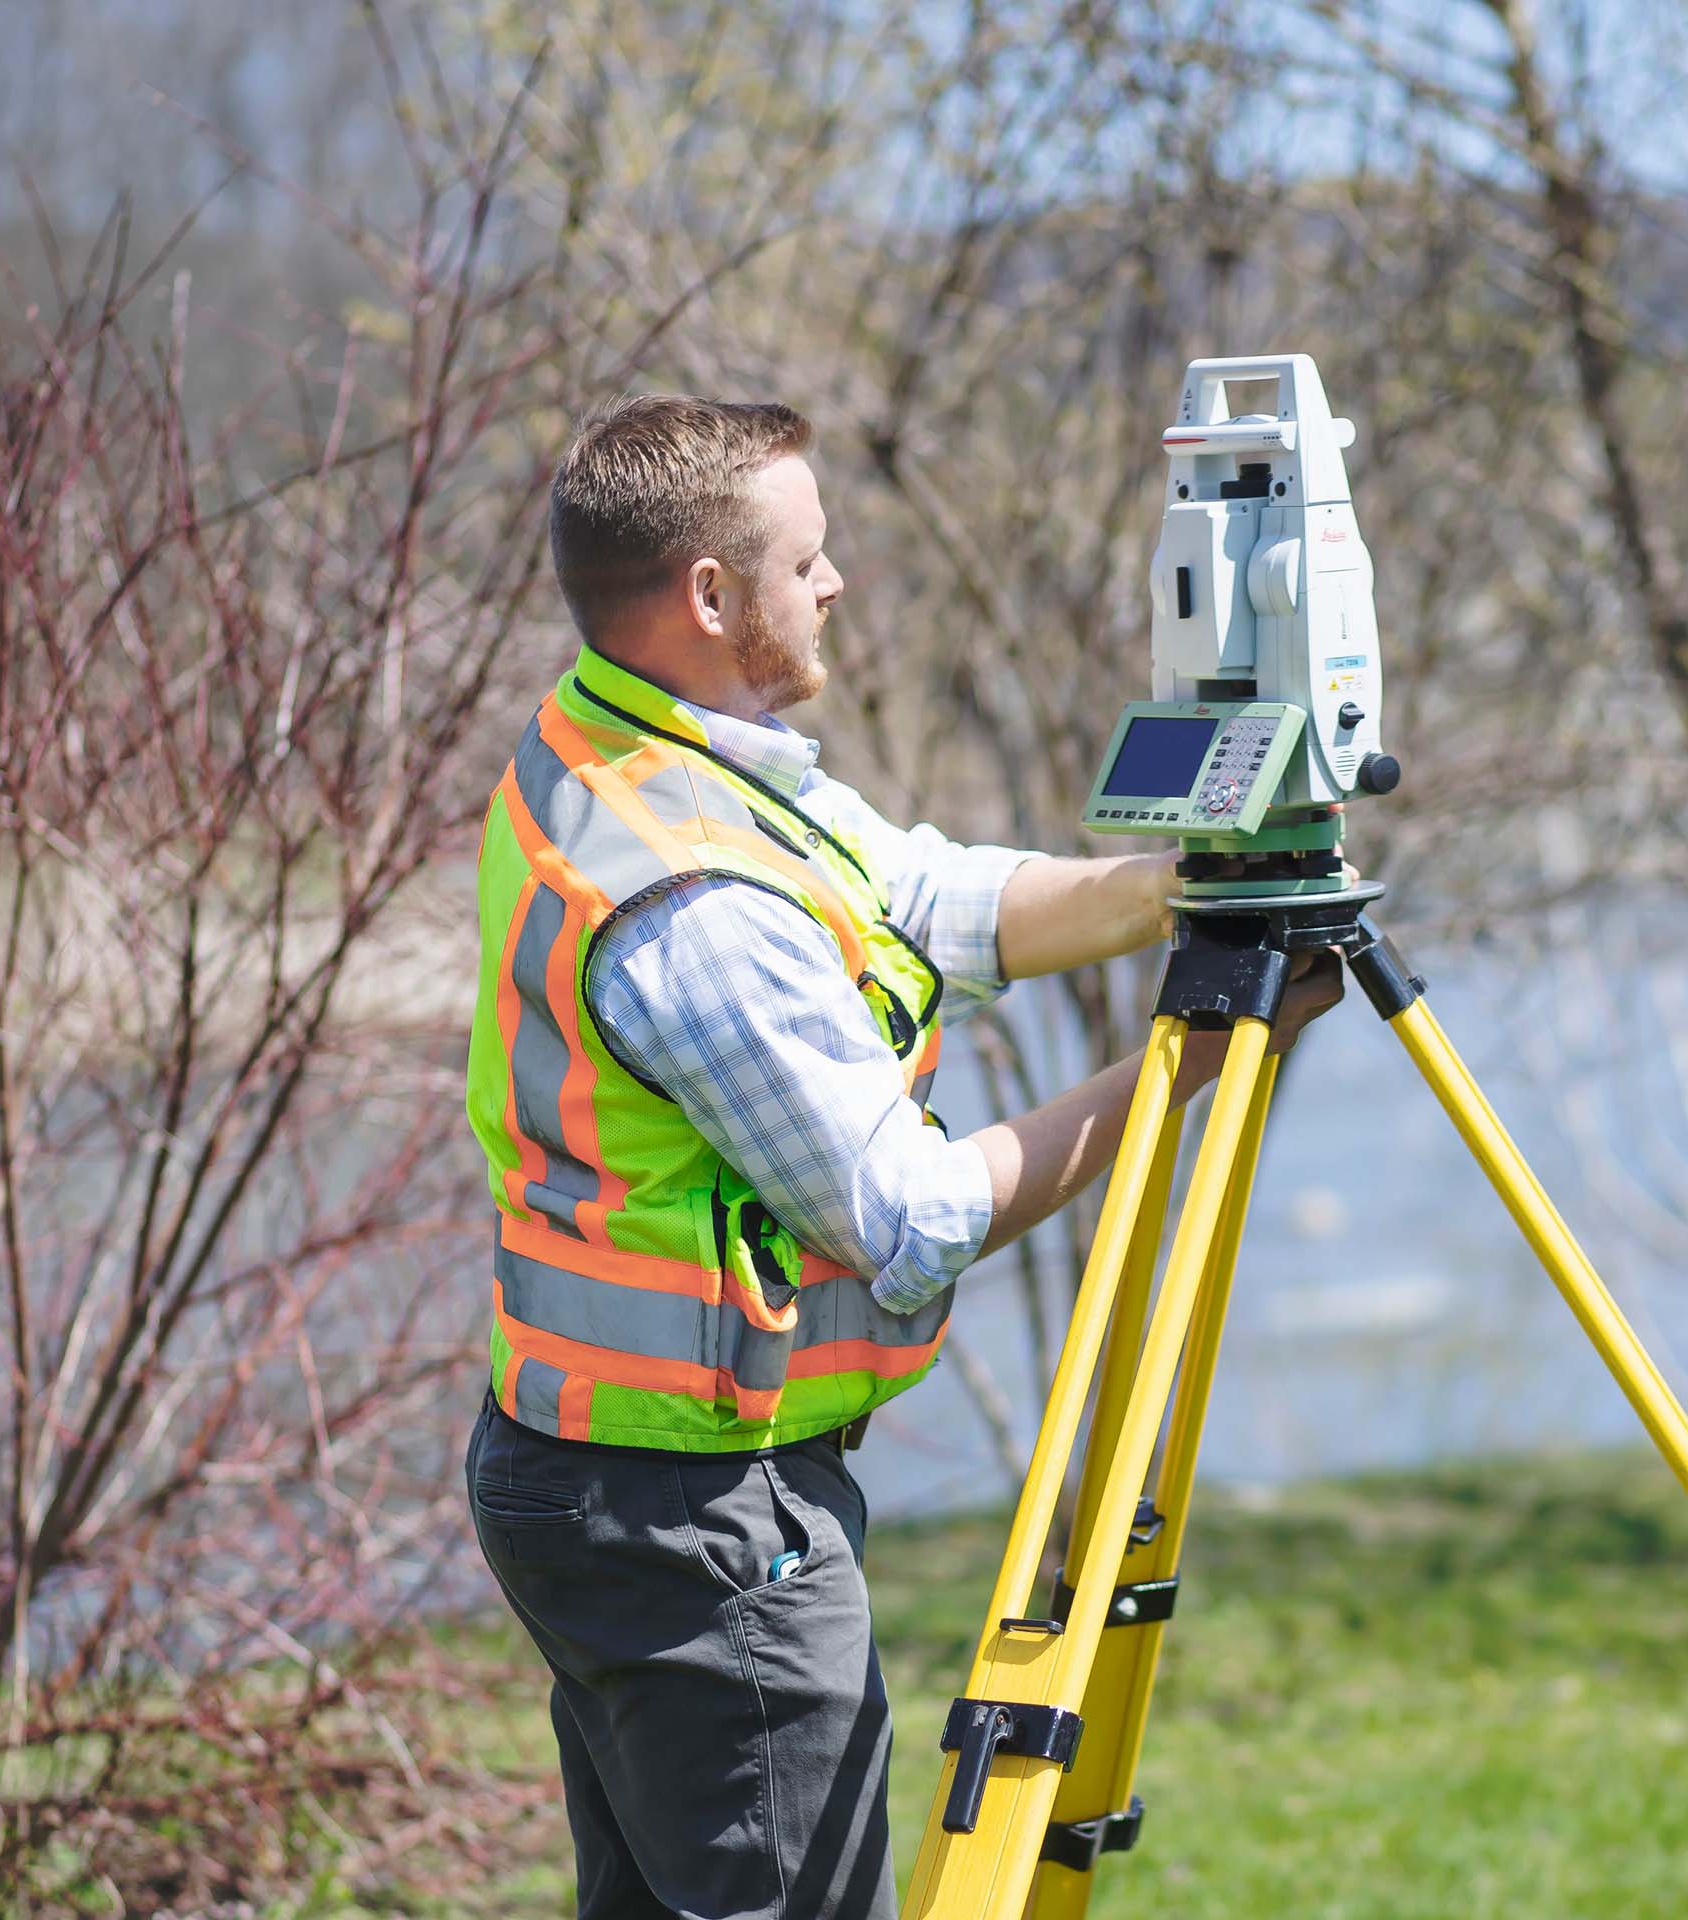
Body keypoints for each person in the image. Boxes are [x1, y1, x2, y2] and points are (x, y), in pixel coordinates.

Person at [462, 394, 1342, 1920]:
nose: (839, 583)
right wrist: (1187, 1066)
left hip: (621, 1478)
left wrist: (1179, 882)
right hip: (690, 1514)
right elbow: (910, 1215)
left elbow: (928, 897)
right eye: (811, 559)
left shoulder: (650, 753)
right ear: (713, 597)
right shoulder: (692, 903)